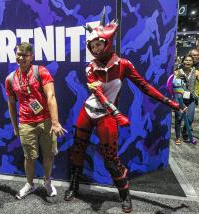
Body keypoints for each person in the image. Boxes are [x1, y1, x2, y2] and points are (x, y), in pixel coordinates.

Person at [63, 11, 180, 213]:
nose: (94, 49)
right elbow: (98, 93)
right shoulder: (90, 67)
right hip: (90, 111)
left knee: (110, 158)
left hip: (106, 116)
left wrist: (166, 100)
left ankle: (125, 195)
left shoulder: (123, 65)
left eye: (98, 44)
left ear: (107, 42)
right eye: (91, 46)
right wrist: (117, 112)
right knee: (78, 149)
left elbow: (143, 86)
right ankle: (73, 185)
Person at [5, 42, 67, 199]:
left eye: (25, 55)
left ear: (31, 56)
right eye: (18, 54)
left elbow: (51, 97)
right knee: (29, 157)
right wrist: (14, 126)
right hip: (25, 122)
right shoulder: (11, 79)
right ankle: (30, 184)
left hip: (46, 120)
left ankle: (47, 181)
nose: (21, 57)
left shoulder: (41, 71)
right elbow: (11, 104)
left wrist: (55, 122)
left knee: (48, 155)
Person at [173, 55, 199, 144]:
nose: (188, 62)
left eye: (190, 60)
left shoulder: (196, 72)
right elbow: (174, 86)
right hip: (179, 98)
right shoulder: (177, 72)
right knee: (179, 118)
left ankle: (184, 131)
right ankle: (177, 137)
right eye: (186, 60)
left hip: (191, 99)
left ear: (193, 62)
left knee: (190, 119)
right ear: (183, 62)